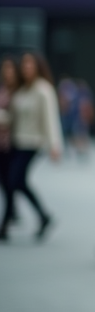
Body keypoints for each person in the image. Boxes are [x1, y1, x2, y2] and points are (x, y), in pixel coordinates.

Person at [0, 51, 62, 241]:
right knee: (15, 182)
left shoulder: (43, 89)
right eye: (24, 65)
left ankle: (8, 221)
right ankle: (43, 216)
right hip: (16, 142)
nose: (26, 68)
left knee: (15, 179)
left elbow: (51, 118)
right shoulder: (21, 90)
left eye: (30, 64)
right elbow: (12, 116)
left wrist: (55, 144)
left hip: (33, 142)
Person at [58, 75, 95, 162]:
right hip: (73, 118)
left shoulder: (83, 95)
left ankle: (81, 150)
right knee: (73, 134)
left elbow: (87, 107)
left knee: (80, 134)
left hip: (79, 118)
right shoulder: (75, 95)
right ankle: (78, 149)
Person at [0, 56, 17, 230]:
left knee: (13, 180)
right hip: (1, 142)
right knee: (6, 181)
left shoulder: (18, 91)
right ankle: (11, 211)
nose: (7, 72)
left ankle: (6, 220)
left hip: (13, 142)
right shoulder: (3, 89)